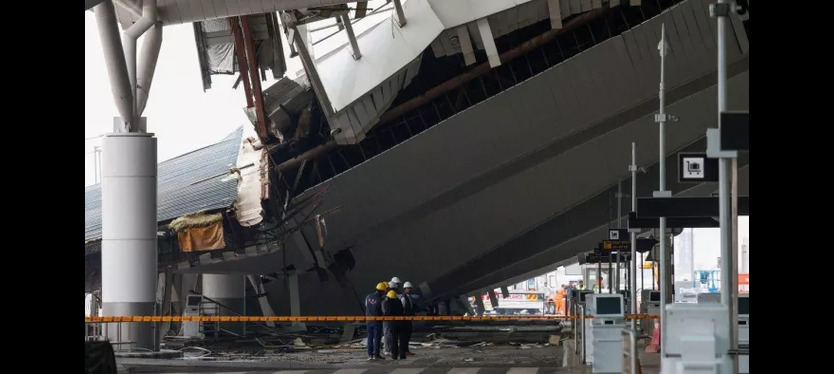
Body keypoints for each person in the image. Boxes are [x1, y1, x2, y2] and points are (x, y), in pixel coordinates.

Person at [365, 282, 388, 360]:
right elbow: (384, 311)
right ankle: (376, 355)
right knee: (377, 338)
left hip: (368, 321)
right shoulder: (381, 300)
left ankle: (369, 355)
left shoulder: (368, 297)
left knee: (370, 338)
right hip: (377, 322)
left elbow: (366, 305)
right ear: (382, 291)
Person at [382, 290, 406, 359]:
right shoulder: (398, 301)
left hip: (392, 323)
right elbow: (402, 310)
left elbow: (386, 312)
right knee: (402, 339)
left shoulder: (387, 302)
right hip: (401, 323)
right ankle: (402, 354)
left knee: (394, 340)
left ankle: (394, 355)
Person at [383, 276, 403, 355]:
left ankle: (391, 349)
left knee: (391, 335)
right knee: (388, 334)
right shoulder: (387, 299)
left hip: (392, 320)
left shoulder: (394, 297)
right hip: (389, 320)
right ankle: (388, 349)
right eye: (397, 284)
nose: (398, 286)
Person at [401, 281, 417, 356]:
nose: (410, 290)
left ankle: (406, 350)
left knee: (408, 335)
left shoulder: (408, 297)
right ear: (405, 289)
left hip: (408, 319)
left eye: (410, 288)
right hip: (405, 320)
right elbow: (402, 309)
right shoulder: (404, 298)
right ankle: (404, 350)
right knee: (405, 335)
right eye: (408, 288)